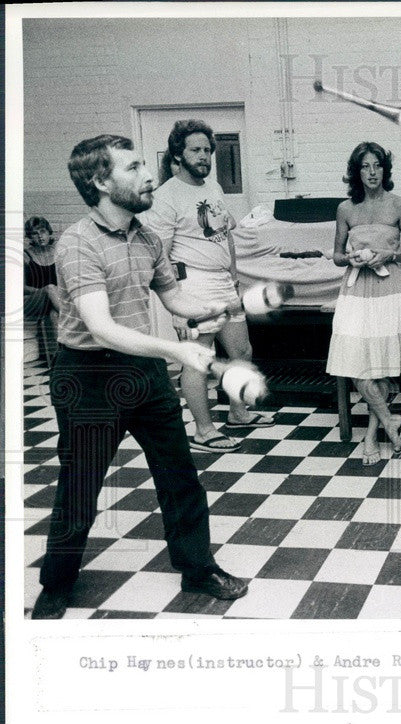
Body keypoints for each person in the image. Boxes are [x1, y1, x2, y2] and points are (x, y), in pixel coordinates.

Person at [31, 134, 249, 619]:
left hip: (143, 368)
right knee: (81, 483)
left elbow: (174, 299)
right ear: (100, 181)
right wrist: (176, 348)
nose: (149, 175)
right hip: (87, 374)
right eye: (133, 168)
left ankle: (198, 568)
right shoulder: (77, 243)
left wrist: (220, 305)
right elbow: (103, 329)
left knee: (179, 474)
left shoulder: (148, 236)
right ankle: (57, 582)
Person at [144, 119, 273, 453]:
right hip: (193, 284)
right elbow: (159, 254)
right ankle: (203, 430)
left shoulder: (212, 188)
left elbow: (225, 234)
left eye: (207, 150)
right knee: (198, 358)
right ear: (178, 153)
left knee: (242, 351)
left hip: (223, 281)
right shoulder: (165, 197)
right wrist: (177, 300)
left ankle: (239, 413)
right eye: (195, 150)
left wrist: (233, 274)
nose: (203, 156)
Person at [324, 142, 401, 465]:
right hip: (355, 290)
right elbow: (337, 256)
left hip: (389, 289)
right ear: (356, 172)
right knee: (355, 364)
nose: (372, 173)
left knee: (378, 364)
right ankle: (392, 422)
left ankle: (370, 436)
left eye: (377, 166)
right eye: (365, 167)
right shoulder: (345, 209)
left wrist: (389, 254)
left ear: (385, 169)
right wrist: (349, 257)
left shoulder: (399, 205)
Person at [23, 216, 61, 367]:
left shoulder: (58, 252)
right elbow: (21, 287)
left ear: (49, 232)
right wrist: (45, 291)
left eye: (43, 231)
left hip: (55, 301)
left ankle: (60, 358)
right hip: (33, 301)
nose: (40, 236)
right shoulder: (26, 255)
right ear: (30, 236)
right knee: (51, 287)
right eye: (34, 233)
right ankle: (76, 318)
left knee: (54, 314)